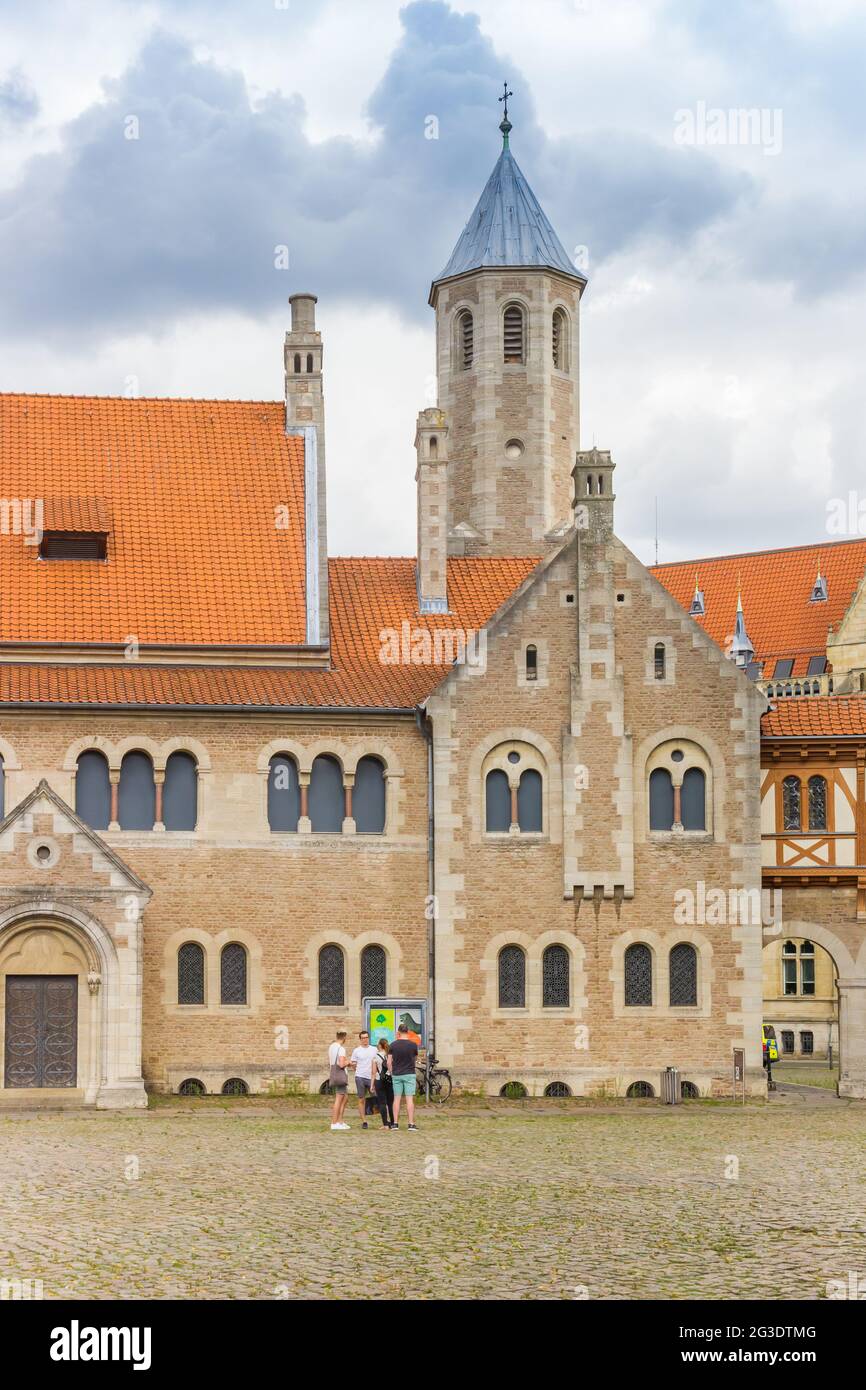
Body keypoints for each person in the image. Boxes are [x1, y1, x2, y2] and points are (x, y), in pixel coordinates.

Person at [388, 1022, 419, 1130]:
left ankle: (395, 1123)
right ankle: (411, 1124)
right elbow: (414, 1059)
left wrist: (391, 1072)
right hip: (409, 1073)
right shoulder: (413, 1045)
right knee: (409, 1099)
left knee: (396, 1099)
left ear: (399, 1032)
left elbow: (389, 1062)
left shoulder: (392, 1045)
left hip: (397, 1074)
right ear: (408, 1032)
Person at [350, 1030, 379, 1130]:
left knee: (377, 1097)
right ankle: (364, 1121)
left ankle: (381, 1117)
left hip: (371, 1077)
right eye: (363, 1038)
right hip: (360, 1077)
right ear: (360, 1039)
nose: (365, 1040)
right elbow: (353, 1064)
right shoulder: (356, 1050)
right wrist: (356, 1070)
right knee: (361, 1099)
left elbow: (377, 1063)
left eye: (366, 1037)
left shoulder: (374, 1049)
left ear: (368, 1038)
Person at [328, 1029, 350, 1130]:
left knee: (345, 1097)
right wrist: (348, 1062)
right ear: (344, 1037)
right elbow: (341, 1064)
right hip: (340, 1075)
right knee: (339, 1098)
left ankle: (340, 1121)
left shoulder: (331, 1046)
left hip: (333, 1072)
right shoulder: (341, 1048)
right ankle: (334, 1122)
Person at [372, 1036, 395, 1129]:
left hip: (379, 1080)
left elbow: (373, 1072)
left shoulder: (376, 1056)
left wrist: (372, 1084)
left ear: (380, 1046)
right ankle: (393, 1123)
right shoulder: (391, 1055)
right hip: (390, 1080)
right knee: (391, 1103)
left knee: (382, 1103)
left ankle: (385, 1124)